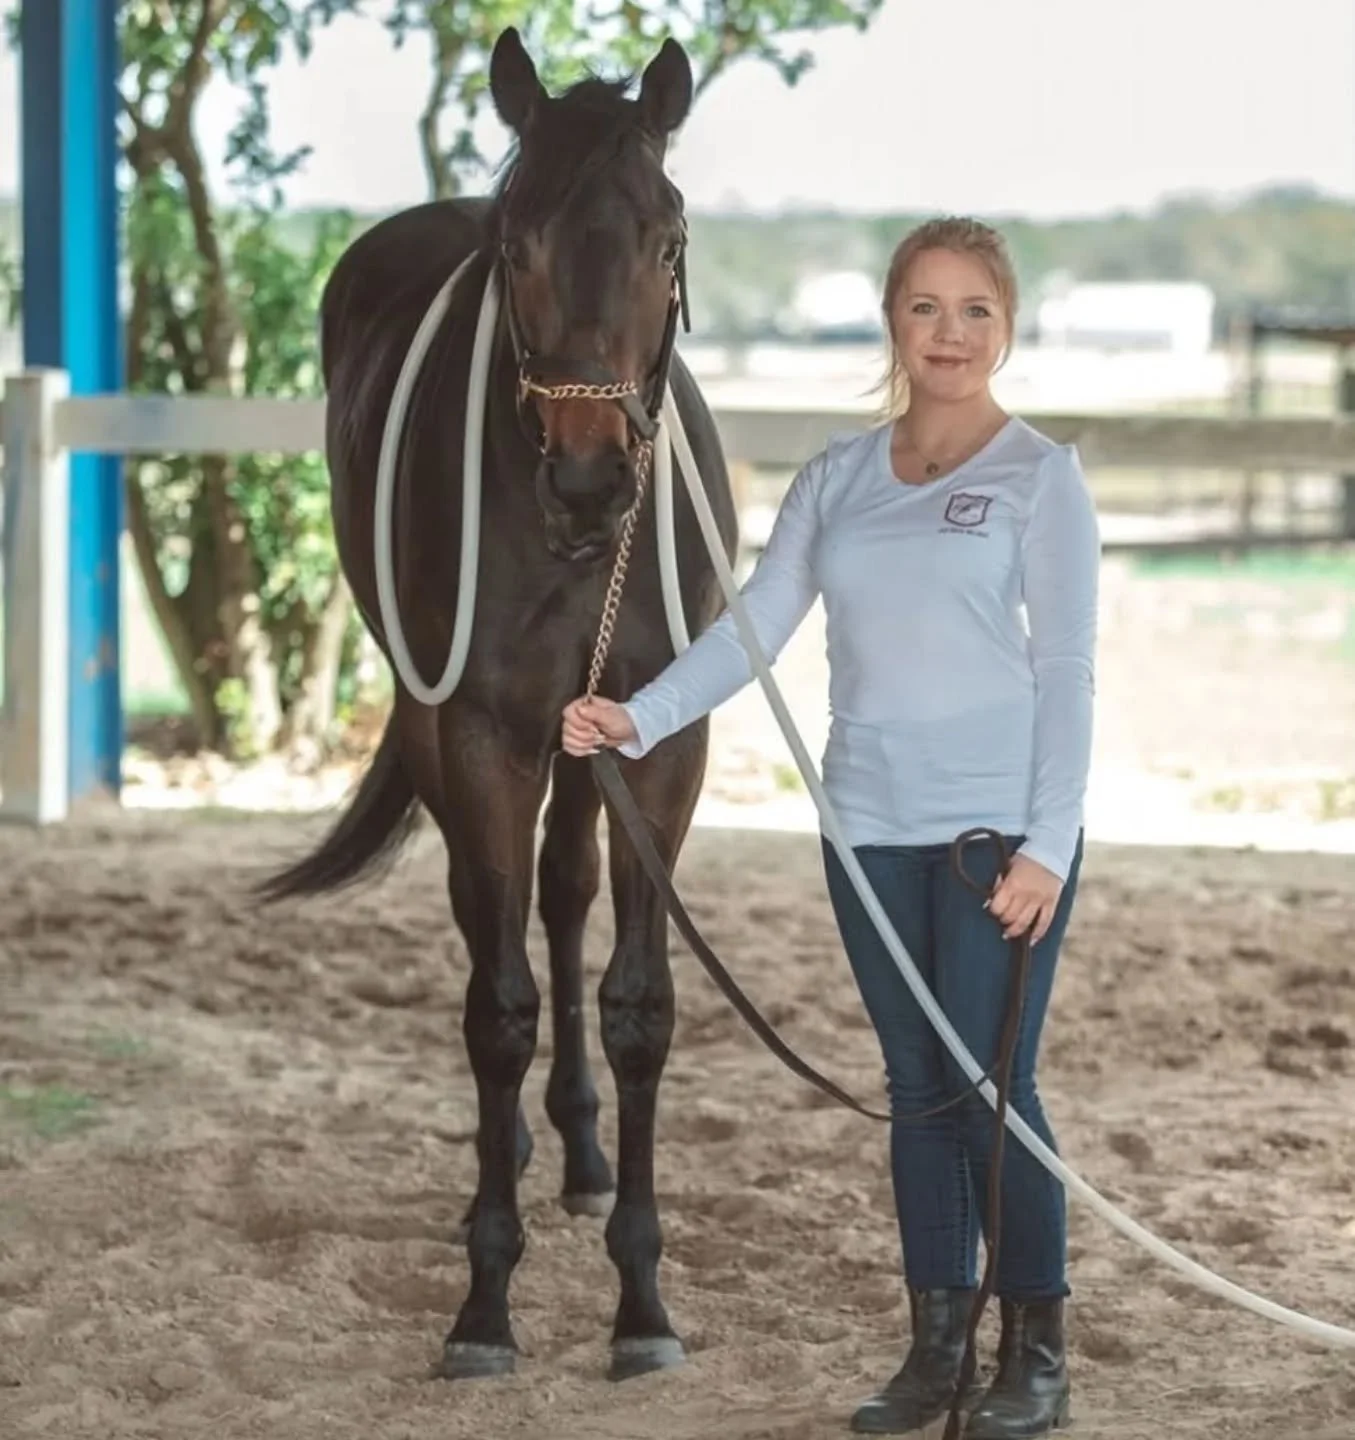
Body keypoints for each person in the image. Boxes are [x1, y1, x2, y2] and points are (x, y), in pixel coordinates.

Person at [560, 216, 1099, 1439]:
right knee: (917, 1089)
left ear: (1003, 326)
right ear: (891, 321)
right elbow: (751, 626)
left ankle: (1037, 1354)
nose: (948, 333)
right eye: (924, 307)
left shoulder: (1037, 477)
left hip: (992, 835)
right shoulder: (836, 478)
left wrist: (1047, 845)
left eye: (972, 309)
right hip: (864, 831)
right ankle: (934, 1347)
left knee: (991, 1086)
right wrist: (634, 719)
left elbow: (1065, 671)